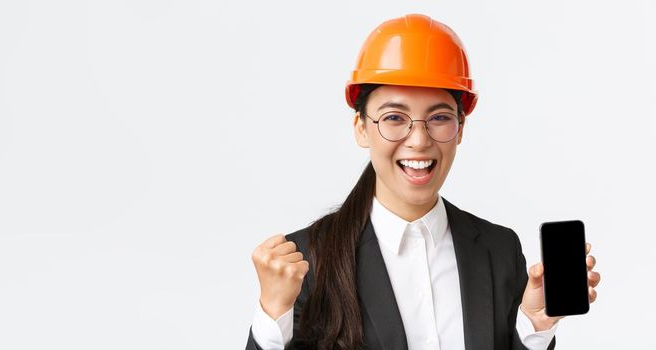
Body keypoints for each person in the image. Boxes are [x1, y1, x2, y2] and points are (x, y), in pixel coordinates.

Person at [244, 14, 601, 350]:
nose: (419, 140)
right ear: (361, 128)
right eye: (395, 117)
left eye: (439, 117)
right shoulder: (306, 260)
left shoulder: (499, 249)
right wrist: (272, 315)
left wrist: (535, 324)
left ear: (460, 129)